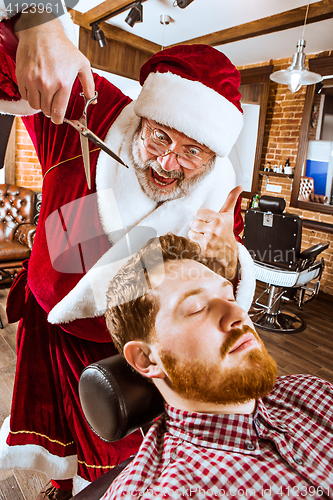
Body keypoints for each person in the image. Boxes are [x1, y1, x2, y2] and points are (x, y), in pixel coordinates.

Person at [0, 5, 255, 499]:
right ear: (145, 116)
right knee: (51, 422)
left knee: (109, 443)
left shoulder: (217, 198)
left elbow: (225, 283)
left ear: (213, 155)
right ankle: (57, 482)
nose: (167, 161)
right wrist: (37, 21)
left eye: (191, 151)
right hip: (45, 320)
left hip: (117, 341)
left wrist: (226, 256)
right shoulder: (95, 108)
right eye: (161, 136)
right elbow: (14, 58)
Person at [103, 233, 333, 500]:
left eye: (230, 298)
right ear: (146, 358)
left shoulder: (315, 393)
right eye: (198, 308)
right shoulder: (163, 493)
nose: (239, 315)